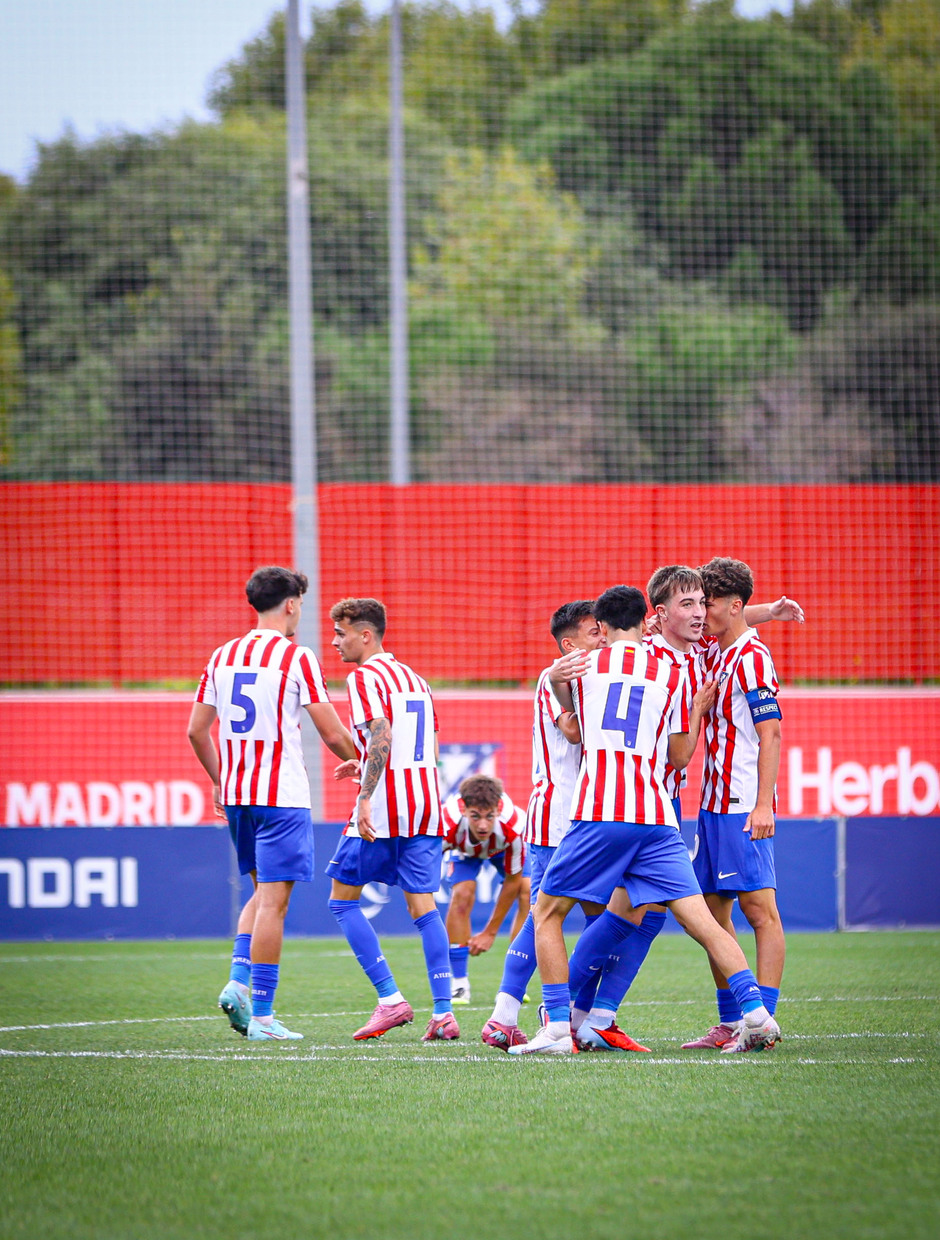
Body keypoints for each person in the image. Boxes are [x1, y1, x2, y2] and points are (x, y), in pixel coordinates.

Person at [509, 585, 781, 1056]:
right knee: (704, 922)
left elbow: (571, 730)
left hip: (601, 811)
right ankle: (756, 1014)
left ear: (603, 628)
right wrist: (695, 712)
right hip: (657, 815)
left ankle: (555, 1028)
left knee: (547, 914)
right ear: (644, 620)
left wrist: (558, 685)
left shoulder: (583, 665)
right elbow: (678, 756)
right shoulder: (670, 673)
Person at [187, 565, 356, 1042]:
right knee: (275, 906)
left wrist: (221, 781)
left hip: (240, 795)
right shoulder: (296, 657)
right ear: (291, 604)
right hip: (281, 797)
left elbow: (197, 731)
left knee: (261, 896)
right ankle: (262, 1014)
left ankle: (238, 984)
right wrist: (367, 764)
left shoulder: (222, 656)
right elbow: (332, 732)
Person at [481, 601, 614, 1051]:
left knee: (597, 919)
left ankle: (558, 1016)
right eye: (595, 632)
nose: (605, 636)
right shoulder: (556, 676)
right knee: (548, 917)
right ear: (569, 644)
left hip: (588, 817)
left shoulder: (599, 675)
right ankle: (551, 1015)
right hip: (559, 816)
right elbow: (575, 733)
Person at [325, 597, 458, 1043]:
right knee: (424, 908)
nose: (334, 642)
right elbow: (431, 747)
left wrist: (365, 795)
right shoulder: (415, 679)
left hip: (385, 806)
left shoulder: (364, 676)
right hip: (426, 803)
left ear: (366, 635)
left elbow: (381, 732)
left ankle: (390, 1000)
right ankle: (443, 1013)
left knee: (342, 901)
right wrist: (364, 764)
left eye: (341, 633)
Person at [681, 557, 787, 1052]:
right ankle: (731, 1021)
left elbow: (771, 734)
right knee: (712, 913)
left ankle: (762, 1022)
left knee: (759, 909)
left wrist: (763, 804)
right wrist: (773, 609)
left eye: (710, 603)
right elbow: (740, 614)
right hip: (711, 802)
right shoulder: (716, 649)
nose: (702, 612)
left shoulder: (751, 658)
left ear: (733, 605)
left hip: (743, 802)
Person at [442, 774, 527, 1005]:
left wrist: (490, 932)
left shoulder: (515, 826)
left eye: (489, 817)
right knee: (462, 893)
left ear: (498, 809)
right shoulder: (446, 823)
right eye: (475, 816)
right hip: (464, 852)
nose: (482, 825)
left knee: (527, 891)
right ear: (464, 809)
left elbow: (513, 881)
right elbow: (427, 866)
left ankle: (516, 980)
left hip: (502, 851)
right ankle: (459, 984)